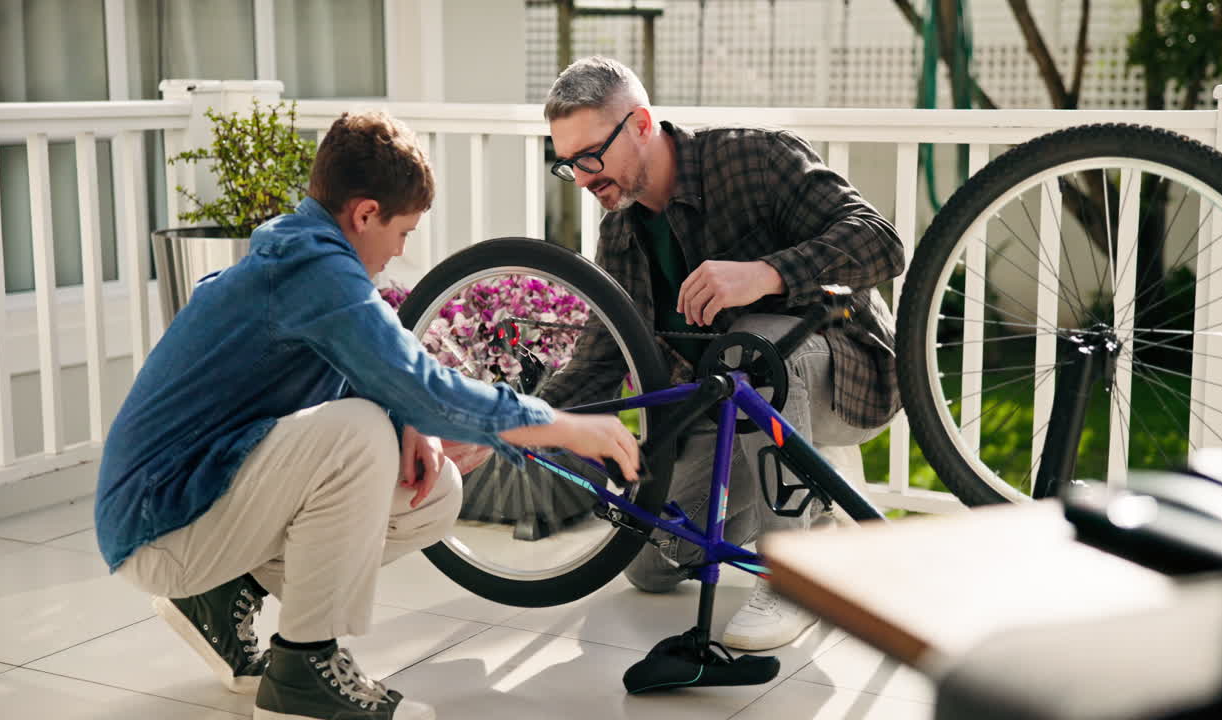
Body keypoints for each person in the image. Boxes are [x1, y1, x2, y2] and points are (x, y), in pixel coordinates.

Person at [95, 111, 639, 720]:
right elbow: (424, 385)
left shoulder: (303, 253)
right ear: (364, 214)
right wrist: (566, 426)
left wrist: (405, 417)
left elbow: (377, 374)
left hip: (196, 499)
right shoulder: (317, 271)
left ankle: (221, 598)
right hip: (158, 521)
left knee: (433, 493)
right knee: (355, 436)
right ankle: (303, 674)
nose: (402, 250)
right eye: (403, 231)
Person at [537, 57, 905, 651]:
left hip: (842, 370)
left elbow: (879, 241)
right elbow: (601, 356)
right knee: (651, 564)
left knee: (754, 343)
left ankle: (796, 574)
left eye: (589, 157)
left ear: (639, 123)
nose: (580, 178)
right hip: (726, 408)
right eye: (566, 164)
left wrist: (765, 274)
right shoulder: (621, 233)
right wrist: (511, 420)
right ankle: (814, 508)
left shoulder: (756, 159)